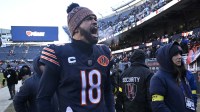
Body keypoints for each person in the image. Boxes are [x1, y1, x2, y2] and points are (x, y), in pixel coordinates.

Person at [37, 3, 115, 112]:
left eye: (94, 18)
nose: (94, 21)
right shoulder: (58, 52)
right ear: (76, 28)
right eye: (89, 19)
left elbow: (107, 91)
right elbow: (43, 98)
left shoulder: (104, 52)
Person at [150, 42, 196, 112]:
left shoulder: (181, 74)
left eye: (180, 53)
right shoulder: (158, 78)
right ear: (167, 57)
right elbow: (158, 106)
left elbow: (190, 97)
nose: (180, 56)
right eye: (175, 54)